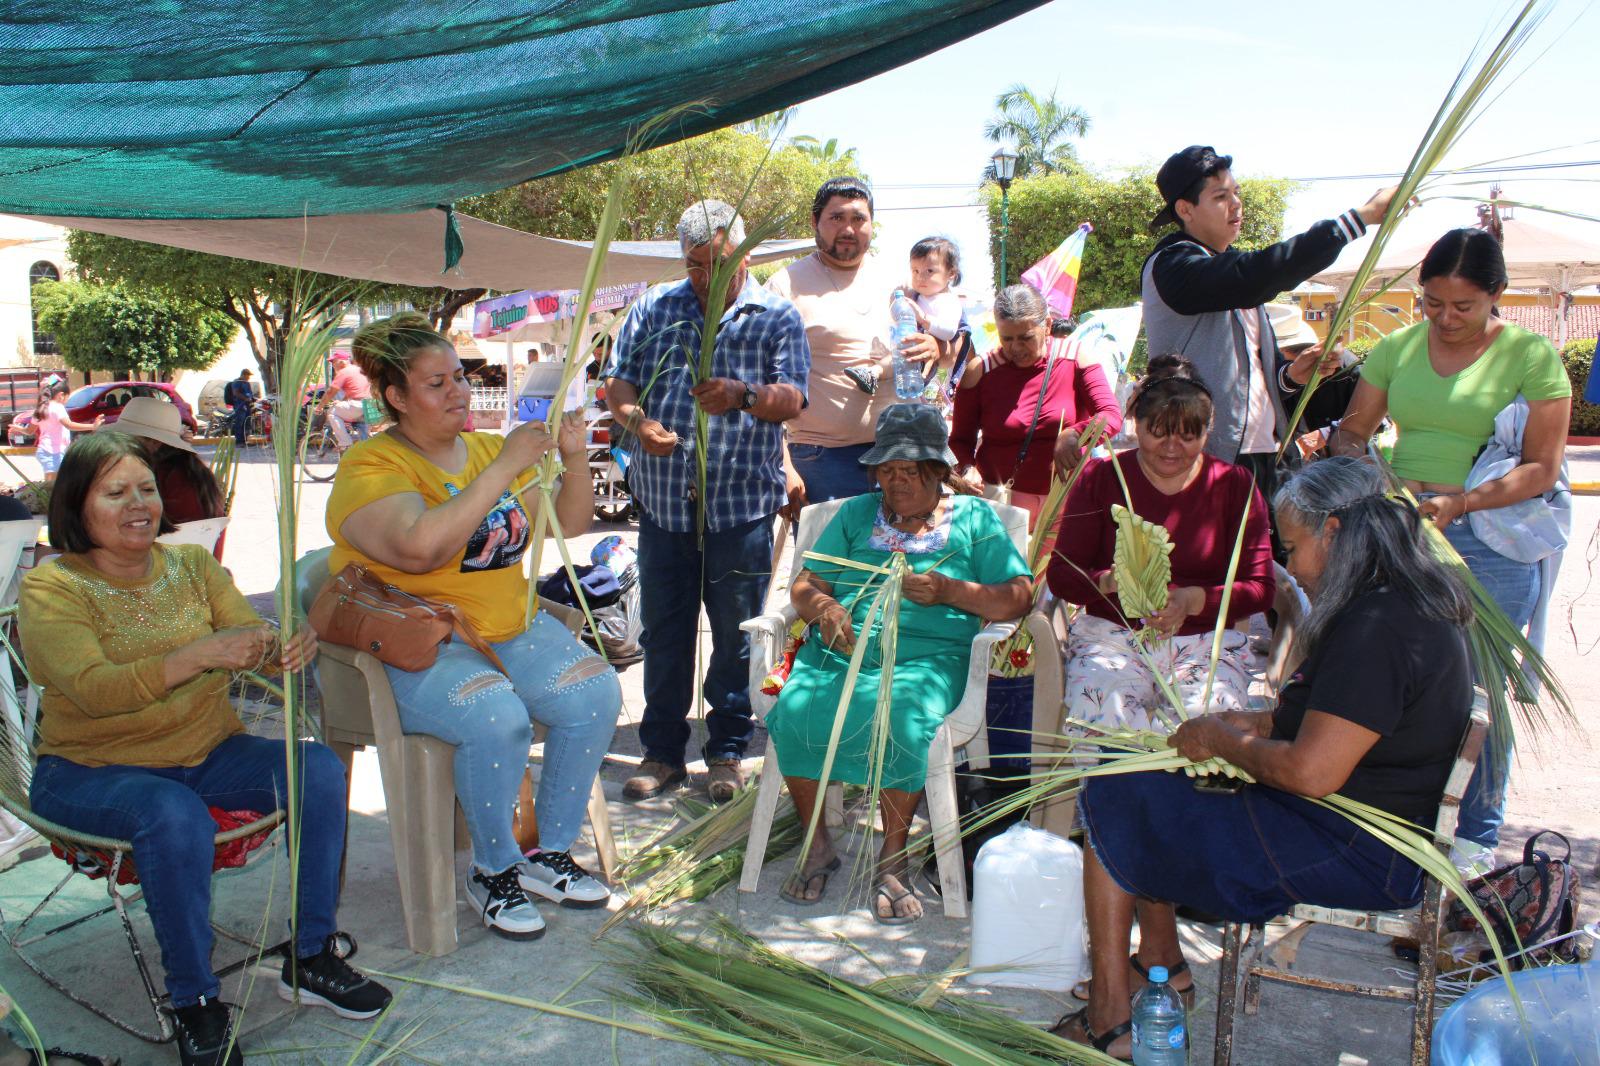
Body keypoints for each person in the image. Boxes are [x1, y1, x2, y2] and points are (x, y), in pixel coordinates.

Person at [1055, 457, 1473, 1058]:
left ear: (1334, 533)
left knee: (1110, 799)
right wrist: (1257, 723)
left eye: (1294, 548)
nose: (1292, 568)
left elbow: (1311, 771)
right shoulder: (1405, 601)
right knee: (1141, 783)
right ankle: (1163, 963)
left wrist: (1222, 740)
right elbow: (1349, 721)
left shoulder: (1378, 626)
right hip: (1362, 829)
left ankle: (1111, 1015)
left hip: (1351, 847)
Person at [19, 432, 390, 1066]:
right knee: (172, 813)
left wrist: (279, 644)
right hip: (89, 770)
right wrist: (195, 656)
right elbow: (94, 689)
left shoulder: (191, 565)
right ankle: (194, 1000)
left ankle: (310, 954)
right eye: (115, 492)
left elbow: (244, 632)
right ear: (77, 504)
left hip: (207, 752)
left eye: (147, 489)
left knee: (317, 769)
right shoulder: (53, 587)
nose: (139, 504)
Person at [328, 312, 621, 941]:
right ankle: (493, 870)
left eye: (460, 377)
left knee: (595, 694)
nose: (458, 392)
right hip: (427, 642)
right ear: (395, 397)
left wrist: (573, 457)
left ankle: (549, 853)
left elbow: (568, 524)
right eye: (436, 384)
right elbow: (419, 550)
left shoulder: (489, 450)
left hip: (510, 629)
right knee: (496, 718)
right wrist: (504, 467)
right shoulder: (373, 466)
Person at [1330, 226, 1572, 863]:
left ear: (1498, 294)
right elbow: (1351, 431)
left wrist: (1461, 503)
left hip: (1489, 540)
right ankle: (1395, 827)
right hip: (1401, 532)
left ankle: (1474, 842)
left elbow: (1542, 466)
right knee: (1391, 681)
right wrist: (1372, 473)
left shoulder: (1530, 355)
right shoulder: (1398, 348)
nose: (1445, 318)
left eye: (1463, 306)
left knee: (1479, 695)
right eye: (1431, 302)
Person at [764, 403, 1031, 923]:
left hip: (929, 658)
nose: (897, 481)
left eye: (910, 470)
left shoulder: (973, 519)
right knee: (796, 710)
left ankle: (893, 853)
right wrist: (826, 609)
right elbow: (806, 584)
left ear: (938, 470)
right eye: (887, 470)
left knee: (903, 721)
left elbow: (1020, 596)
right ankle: (817, 843)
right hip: (843, 651)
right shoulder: (858, 514)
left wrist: (952, 591)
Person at [604, 200, 809, 804]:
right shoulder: (654, 307)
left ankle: (726, 752)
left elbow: (795, 398)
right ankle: (663, 753)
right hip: (665, 505)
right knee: (665, 632)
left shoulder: (775, 315)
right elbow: (619, 382)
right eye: (695, 265)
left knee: (735, 635)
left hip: (741, 507)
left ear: (743, 254)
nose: (706, 278)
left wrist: (744, 396)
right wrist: (638, 423)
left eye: (719, 264)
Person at [1131, 144, 1398, 502]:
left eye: (1236, 193)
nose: (1236, 204)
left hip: (1263, 453)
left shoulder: (1227, 268)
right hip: (1205, 454)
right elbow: (1256, 273)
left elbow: (1251, 381)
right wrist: (1357, 220)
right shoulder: (1173, 265)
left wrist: (1292, 376)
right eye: (1221, 196)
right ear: (1185, 209)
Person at [1046, 356, 1272, 733]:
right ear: (1135, 424)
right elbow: (1061, 575)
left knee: (1203, 731)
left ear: (1208, 430)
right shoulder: (1101, 478)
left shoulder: (1234, 485)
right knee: (1103, 721)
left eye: (1188, 436)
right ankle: (1109, 772)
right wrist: (1108, 581)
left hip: (1204, 642)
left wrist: (1192, 600)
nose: (1172, 447)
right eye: (1158, 432)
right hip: (1112, 638)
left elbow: (1261, 588)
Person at [767, 177, 942, 506]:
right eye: (837, 218)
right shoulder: (784, 287)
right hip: (822, 461)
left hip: (902, 456)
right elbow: (763, 384)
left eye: (858, 218)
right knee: (830, 544)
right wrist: (784, 467)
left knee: (906, 544)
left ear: (872, 224)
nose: (848, 229)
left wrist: (936, 347)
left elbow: (949, 345)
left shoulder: (901, 280)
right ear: (815, 222)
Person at [949, 283, 1122, 527]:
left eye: (1026, 338)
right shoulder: (980, 370)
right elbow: (959, 440)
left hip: (1065, 501)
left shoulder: (1076, 357)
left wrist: (1076, 433)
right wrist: (968, 467)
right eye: (1006, 338)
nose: (1016, 348)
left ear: (1048, 326)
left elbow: (1111, 415)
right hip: (1000, 504)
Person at [1266, 302, 1362, 441]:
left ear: (1281, 351)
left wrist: (1325, 434)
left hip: (1339, 452)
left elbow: (1378, 418)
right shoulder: (1270, 375)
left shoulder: (1344, 366)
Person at [32, 381, 97, 481]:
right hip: (53, 452)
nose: (67, 401)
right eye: (67, 398)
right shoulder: (58, 407)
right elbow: (69, 425)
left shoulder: (42, 408)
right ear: (61, 395)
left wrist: (18, 428)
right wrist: (92, 426)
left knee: (53, 482)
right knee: (52, 485)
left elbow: (29, 430)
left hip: (47, 450)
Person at [907, 236, 964, 343]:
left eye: (929, 271)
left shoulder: (948, 301)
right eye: (916, 271)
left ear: (951, 273)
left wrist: (923, 319)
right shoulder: (913, 295)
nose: (920, 277)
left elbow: (949, 332)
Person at [315, 352, 371, 449]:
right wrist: (342, 402)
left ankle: (345, 442)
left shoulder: (344, 372)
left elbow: (330, 392)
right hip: (368, 406)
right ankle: (364, 450)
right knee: (362, 433)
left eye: (333, 362)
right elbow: (353, 391)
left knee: (332, 412)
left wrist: (319, 407)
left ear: (342, 362)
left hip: (357, 405)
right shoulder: (358, 370)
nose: (332, 365)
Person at [223, 369, 255, 447]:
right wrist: (245, 398)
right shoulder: (237, 382)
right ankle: (239, 441)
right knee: (239, 423)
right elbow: (236, 393)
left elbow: (249, 393)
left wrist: (252, 399)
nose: (249, 377)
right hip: (240, 405)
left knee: (246, 423)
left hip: (247, 406)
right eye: (248, 375)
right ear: (243, 375)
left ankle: (245, 440)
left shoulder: (247, 383)